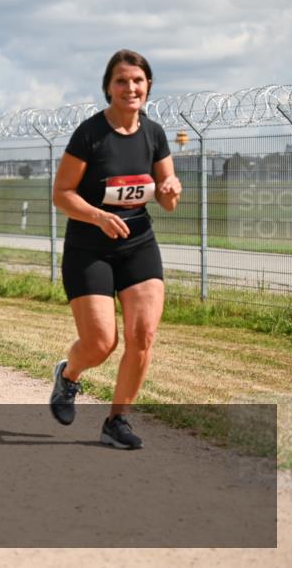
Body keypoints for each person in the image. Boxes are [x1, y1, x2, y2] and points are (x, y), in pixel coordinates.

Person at [49, 49, 182, 450]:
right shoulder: (91, 134)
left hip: (138, 243)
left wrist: (171, 189)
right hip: (90, 247)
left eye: (138, 81)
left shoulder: (154, 133)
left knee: (143, 335)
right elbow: (62, 194)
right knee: (101, 343)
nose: (130, 88)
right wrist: (98, 216)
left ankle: (117, 420)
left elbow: (167, 196)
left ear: (149, 86)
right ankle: (69, 375)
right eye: (122, 81)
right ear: (108, 87)